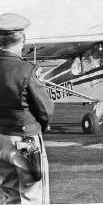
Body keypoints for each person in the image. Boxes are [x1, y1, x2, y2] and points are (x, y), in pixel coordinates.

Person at [0, 13, 54, 204]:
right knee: (33, 194)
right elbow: (45, 110)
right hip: (25, 139)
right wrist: (42, 126)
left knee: (8, 192)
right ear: (22, 38)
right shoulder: (28, 70)